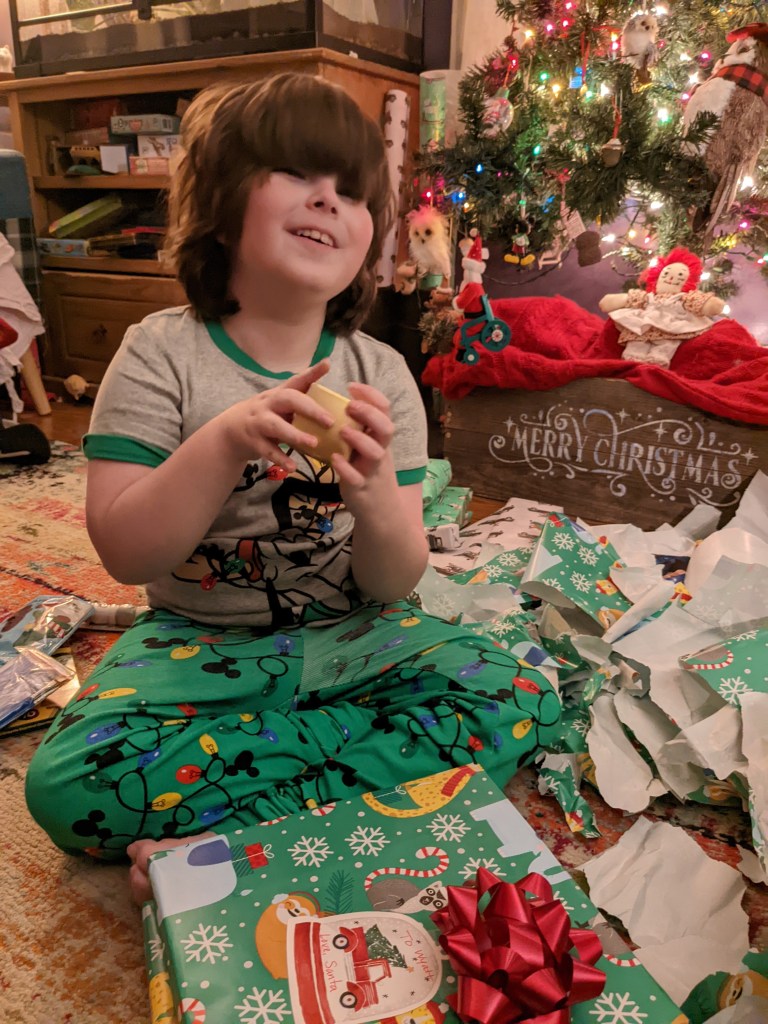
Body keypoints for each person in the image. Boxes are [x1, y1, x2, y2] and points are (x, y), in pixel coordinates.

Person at [25, 73, 561, 904]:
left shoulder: (381, 372)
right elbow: (128, 553)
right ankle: (337, 785)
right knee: (67, 783)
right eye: (297, 173)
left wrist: (375, 496)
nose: (329, 201)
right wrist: (224, 441)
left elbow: (394, 580)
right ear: (218, 203)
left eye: (353, 192)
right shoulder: (159, 353)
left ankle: (245, 817)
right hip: (201, 644)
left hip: (355, 636)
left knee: (519, 694)